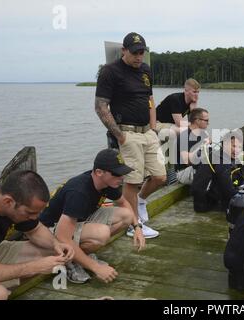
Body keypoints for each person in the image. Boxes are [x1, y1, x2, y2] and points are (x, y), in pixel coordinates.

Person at [95, 32, 167, 239]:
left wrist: (153, 127)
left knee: (160, 176)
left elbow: (150, 99)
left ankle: (141, 201)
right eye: (135, 53)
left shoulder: (145, 70)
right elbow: (100, 106)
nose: (138, 57)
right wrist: (120, 135)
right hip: (127, 133)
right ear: (124, 51)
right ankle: (133, 224)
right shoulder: (110, 72)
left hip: (148, 132)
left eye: (141, 52)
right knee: (133, 181)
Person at [39, 149, 145, 284]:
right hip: (53, 229)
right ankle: (69, 261)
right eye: (117, 174)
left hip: (80, 219)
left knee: (127, 216)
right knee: (102, 234)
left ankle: (82, 255)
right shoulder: (79, 192)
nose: (121, 178)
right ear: (99, 172)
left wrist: (137, 228)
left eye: (122, 173)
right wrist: (96, 268)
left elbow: (124, 203)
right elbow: (62, 236)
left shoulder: (108, 182)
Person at [0, 170, 74, 300]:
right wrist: (33, 267)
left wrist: (56, 244)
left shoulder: (8, 197)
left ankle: (0, 278)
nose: (35, 217)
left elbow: (35, 229)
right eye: (30, 213)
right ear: (8, 202)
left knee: (54, 255)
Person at [191, 132, 244, 213]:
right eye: (234, 146)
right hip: (205, 205)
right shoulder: (221, 162)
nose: (237, 150)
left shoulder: (220, 155)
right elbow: (228, 191)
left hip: (207, 199)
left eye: (239, 147)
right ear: (225, 144)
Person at [174, 108, 210, 185]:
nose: (208, 123)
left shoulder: (203, 134)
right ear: (197, 120)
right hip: (183, 172)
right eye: (206, 120)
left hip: (197, 167)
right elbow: (187, 161)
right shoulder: (184, 136)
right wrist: (203, 147)